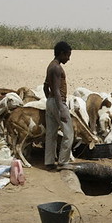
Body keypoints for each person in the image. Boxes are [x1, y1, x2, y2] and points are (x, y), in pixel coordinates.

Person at [43, 41, 73, 169]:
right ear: (61, 53)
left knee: (51, 134)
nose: (68, 58)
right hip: (58, 102)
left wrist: (49, 101)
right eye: (67, 55)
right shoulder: (57, 68)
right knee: (69, 133)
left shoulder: (51, 66)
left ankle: (49, 162)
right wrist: (61, 109)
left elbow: (45, 87)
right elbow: (55, 89)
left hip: (51, 101)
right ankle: (63, 162)